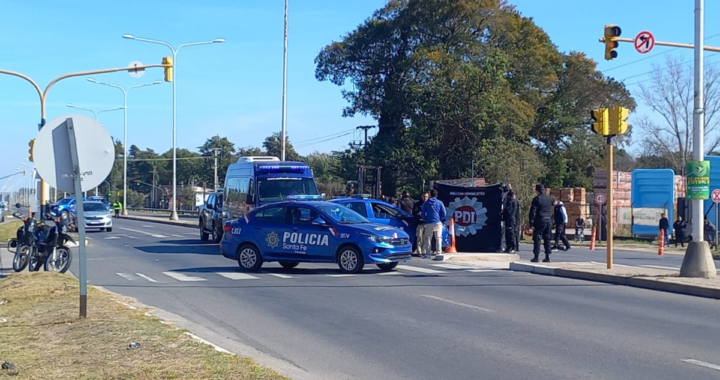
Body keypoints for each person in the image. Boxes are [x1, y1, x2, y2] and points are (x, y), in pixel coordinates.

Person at [528, 184, 554, 263]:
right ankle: (548, 256)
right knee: (547, 239)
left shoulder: (537, 199)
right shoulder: (550, 198)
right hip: (548, 220)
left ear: (537, 190)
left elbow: (533, 211)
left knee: (537, 238)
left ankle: (536, 256)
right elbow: (554, 204)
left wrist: (531, 223)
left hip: (540, 220)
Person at [421, 189, 446, 259]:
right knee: (438, 238)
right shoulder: (440, 203)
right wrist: (440, 219)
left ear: (430, 195)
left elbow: (423, 214)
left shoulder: (426, 203)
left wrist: (426, 219)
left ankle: (428, 253)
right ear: (436, 195)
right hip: (438, 222)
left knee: (428, 238)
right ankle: (438, 252)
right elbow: (444, 213)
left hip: (429, 223)